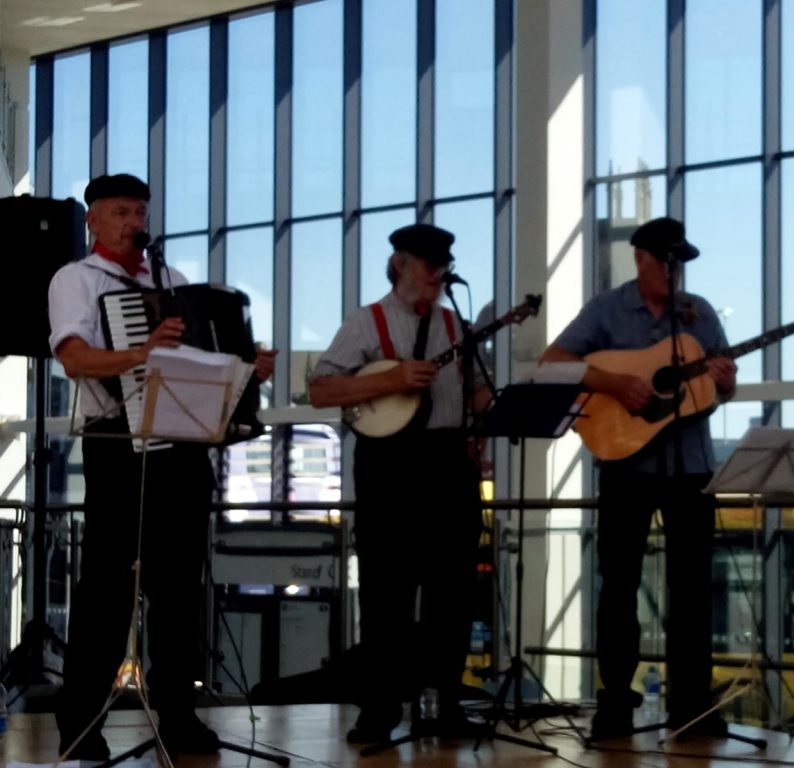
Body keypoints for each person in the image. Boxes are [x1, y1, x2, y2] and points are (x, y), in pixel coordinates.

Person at [48, 173, 277, 760]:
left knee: (179, 592)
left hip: (181, 447)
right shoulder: (76, 279)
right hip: (116, 445)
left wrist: (246, 370)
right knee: (108, 591)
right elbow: (75, 359)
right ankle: (80, 722)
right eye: (121, 211)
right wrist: (139, 354)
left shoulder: (172, 282)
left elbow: (202, 362)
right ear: (93, 219)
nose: (134, 222)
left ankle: (177, 715)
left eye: (141, 211)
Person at [539, 216, 737, 740]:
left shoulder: (698, 314)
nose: (675, 273)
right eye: (667, 262)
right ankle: (615, 703)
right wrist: (615, 383)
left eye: (681, 264)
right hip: (625, 464)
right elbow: (553, 361)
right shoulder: (607, 310)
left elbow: (723, 389)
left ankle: (691, 703)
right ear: (642, 259)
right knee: (619, 586)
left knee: (692, 591)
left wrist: (727, 379)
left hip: (690, 467)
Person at [309, 223, 486, 744]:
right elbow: (322, 389)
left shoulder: (459, 329)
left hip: (449, 464)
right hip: (389, 466)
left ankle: (448, 702)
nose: (437, 273)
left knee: (451, 593)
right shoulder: (367, 324)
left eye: (442, 264)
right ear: (400, 264)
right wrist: (390, 380)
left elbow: (479, 395)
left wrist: (488, 426)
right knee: (387, 593)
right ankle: (379, 708)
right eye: (428, 263)